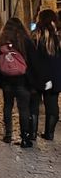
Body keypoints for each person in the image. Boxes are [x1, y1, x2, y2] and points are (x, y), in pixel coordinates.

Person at [0, 18, 37, 148]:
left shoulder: (2, 41)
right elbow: (33, 61)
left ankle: (8, 135)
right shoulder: (25, 40)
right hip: (23, 80)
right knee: (24, 109)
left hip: (6, 80)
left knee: (7, 106)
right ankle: (25, 138)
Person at [31, 9, 61, 141]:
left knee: (33, 106)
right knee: (52, 106)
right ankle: (49, 134)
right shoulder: (56, 37)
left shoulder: (35, 36)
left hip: (36, 76)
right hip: (53, 76)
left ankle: (32, 134)